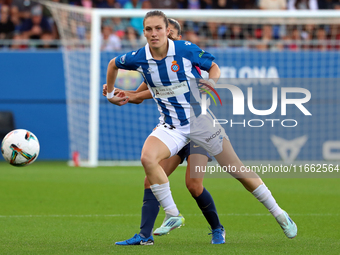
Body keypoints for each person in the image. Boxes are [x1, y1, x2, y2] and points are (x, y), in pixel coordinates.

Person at [105, 10, 297, 243]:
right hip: (171, 127)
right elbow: (126, 80)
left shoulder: (186, 51)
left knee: (228, 173)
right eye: (149, 29)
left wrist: (208, 87)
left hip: (200, 124)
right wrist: (113, 94)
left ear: (168, 32)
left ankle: (279, 213)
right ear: (144, 32)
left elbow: (213, 67)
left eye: (160, 29)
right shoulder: (142, 60)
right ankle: (168, 217)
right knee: (148, 161)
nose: (155, 34)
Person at [104, 18, 226, 245]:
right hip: (175, 131)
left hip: (198, 130)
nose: (163, 39)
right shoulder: (154, 65)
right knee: (150, 179)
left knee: (194, 185)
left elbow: (160, 91)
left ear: (175, 36)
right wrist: (120, 94)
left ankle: (217, 229)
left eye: (170, 35)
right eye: (153, 31)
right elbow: (139, 96)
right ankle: (145, 236)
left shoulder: (190, 60)